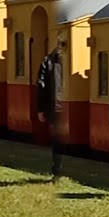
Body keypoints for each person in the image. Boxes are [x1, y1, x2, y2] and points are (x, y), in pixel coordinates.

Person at [37, 45, 63, 180]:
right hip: (67, 103)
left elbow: (41, 85)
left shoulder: (48, 60)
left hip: (54, 106)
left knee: (57, 139)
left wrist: (41, 108)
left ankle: (57, 169)